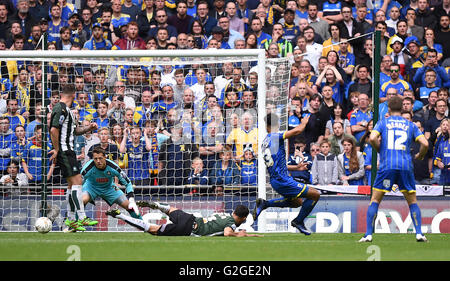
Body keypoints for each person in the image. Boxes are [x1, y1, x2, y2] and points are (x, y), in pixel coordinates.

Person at [359, 95, 429, 243]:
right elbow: (425, 144)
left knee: (375, 200)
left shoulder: (383, 122)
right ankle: (418, 233)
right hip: (405, 166)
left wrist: (380, 150)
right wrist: (420, 155)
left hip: (387, 167)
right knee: (412, 201)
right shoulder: (410, 125)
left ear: (389, 109)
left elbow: (372, 138)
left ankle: (368, 235)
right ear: (403, 107)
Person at [253, 113, 320, 235]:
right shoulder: (274, 136)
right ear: (275, 124)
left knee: (297, 202)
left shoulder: (265, 141)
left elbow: (277, 163)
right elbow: (296, 131)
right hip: (282, 180)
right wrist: (303, 123)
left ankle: (265, 203)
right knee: (315, 195)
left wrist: (296, 167)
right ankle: (298, 221)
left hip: (276, 180)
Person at [49, 84, 98, 232]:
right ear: (73, 95)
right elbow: (53, 129)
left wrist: (88, 128)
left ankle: (70, 220)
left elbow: (75, 131)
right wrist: (57, 149)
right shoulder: (60, 108)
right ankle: (82, 217)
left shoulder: (68, 111)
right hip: (65, 151)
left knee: (72, 186)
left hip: (68, 151)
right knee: (78, 182)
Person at [107, 201, 262, 237]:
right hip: (189, 229)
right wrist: (238, 234)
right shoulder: (231, 222)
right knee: (153, 230)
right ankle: (119, 215)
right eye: (243, 220)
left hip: (191, 218)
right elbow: (228, 233)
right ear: (241, 218)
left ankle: (156, 205)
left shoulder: (226, 215)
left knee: (171, 210)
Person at [81, 147, 141, 223]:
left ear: (105, 157)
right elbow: (79, 183)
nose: (98, 161)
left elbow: (128, 183)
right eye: (95, 159)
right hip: (91, 187)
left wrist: (131, 198)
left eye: (100, 158)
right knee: (82, 200)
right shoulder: (87, 169)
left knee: (128, 205)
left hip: (109, 187)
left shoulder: (114, 167)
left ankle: (143, 224)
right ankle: (77, 223)